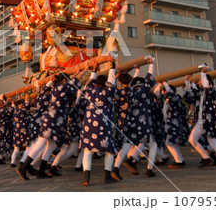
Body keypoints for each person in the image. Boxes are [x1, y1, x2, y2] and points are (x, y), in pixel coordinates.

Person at [17, 66, 86, 181]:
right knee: (40, 144)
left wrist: (76, 72)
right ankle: (23, 167)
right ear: (64, 81)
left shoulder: (56, 88)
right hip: (52, 120)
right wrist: (84, 69)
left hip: (52, 120)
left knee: (51, 146)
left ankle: (41, 171)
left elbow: (70, 81)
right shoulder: (61, 89)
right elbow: (74, 81)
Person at [115, 55, 156, 179]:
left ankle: (115, 168)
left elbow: (130, 82)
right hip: (142, 124)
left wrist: (135, 71)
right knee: (153, 145)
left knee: (126, 146)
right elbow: (148, 79)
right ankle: (150, 169)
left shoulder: (128, 92)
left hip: (129, 123)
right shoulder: (143, 92)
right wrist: (151, 64)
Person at [79, 56, 118, 186]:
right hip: (104, 125)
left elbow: (90, 81)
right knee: (108, 151)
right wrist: (112, 65)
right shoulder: (107, 92)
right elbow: (111, 81)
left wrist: (94, 69)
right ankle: (107, 177)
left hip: (88, 125)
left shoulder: (89, 91)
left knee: (87, 151)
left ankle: (86, 179)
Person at [187, 68, 216, 171]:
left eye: (201, 80)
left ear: (207, 81)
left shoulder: (212, 90)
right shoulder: (202, 92)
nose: (199, 82)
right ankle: (206, 158)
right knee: (192, 140)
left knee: (213, 144)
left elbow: (206, 86)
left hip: (210, 121)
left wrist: (202, 73)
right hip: (201, 121)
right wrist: (187, 81)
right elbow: (191, 94)